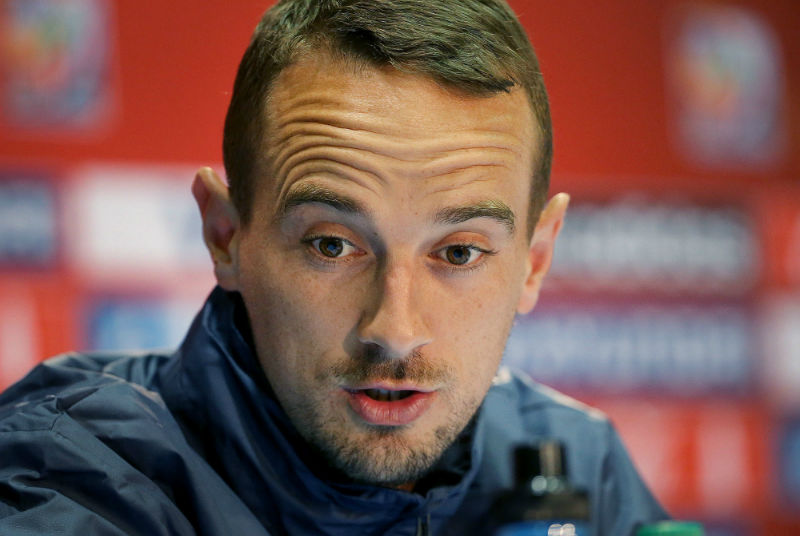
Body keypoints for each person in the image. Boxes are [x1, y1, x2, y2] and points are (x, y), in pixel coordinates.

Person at [0, 0, 668, 534]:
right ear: (225, 235)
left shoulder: (577, 464)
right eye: (331, 245)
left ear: (536, 259)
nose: (396, 330)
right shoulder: (71, 476)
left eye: (459, 252)